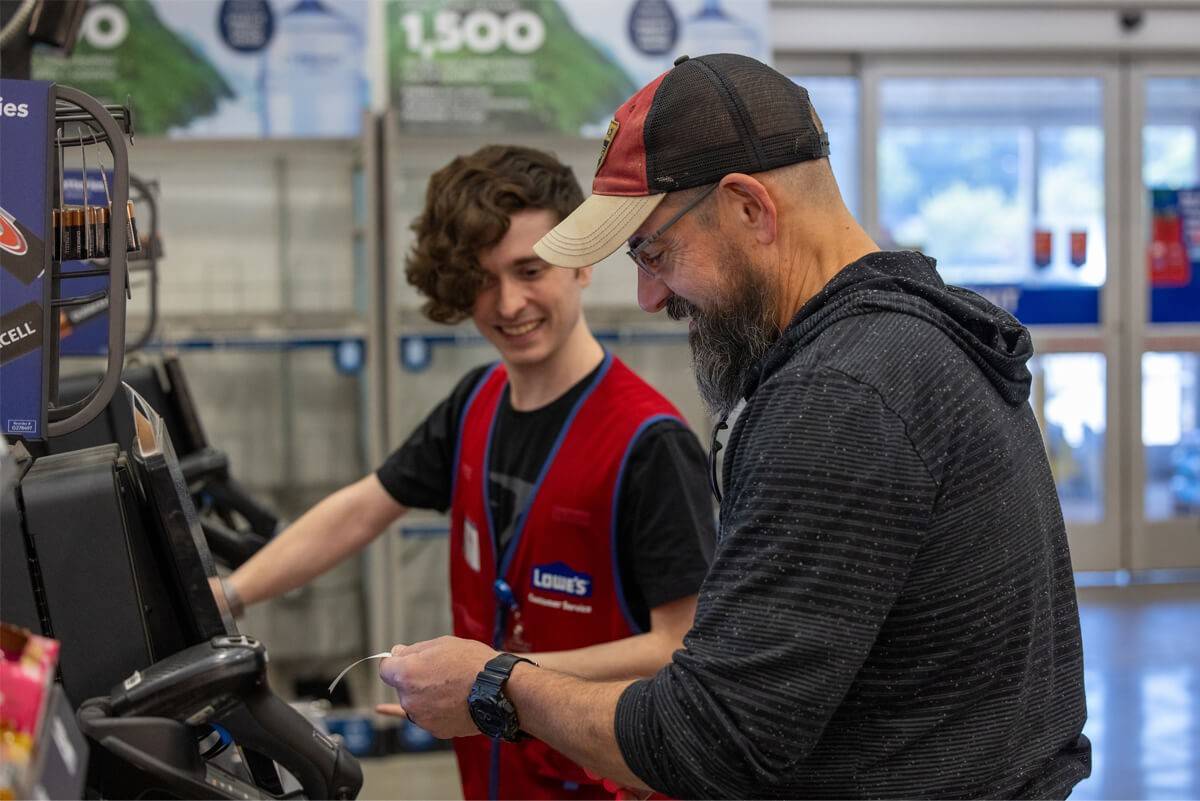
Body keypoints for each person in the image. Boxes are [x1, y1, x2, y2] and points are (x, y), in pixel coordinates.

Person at [378, 54, 1092, 799]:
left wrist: (498, 685)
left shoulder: (842, 396)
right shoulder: (917, 337)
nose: (651, 295)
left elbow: (711, 741)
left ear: (749, 207)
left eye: (655, 251)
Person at [224, 144, 715, 800]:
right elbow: (364, 506)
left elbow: (680, 646)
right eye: (483, 279)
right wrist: (230, 594)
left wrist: (498, 675)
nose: (508, 303)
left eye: (529, 269)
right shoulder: (475, 405)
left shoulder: (647, 442)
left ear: (582, 264)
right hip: (496, 773)